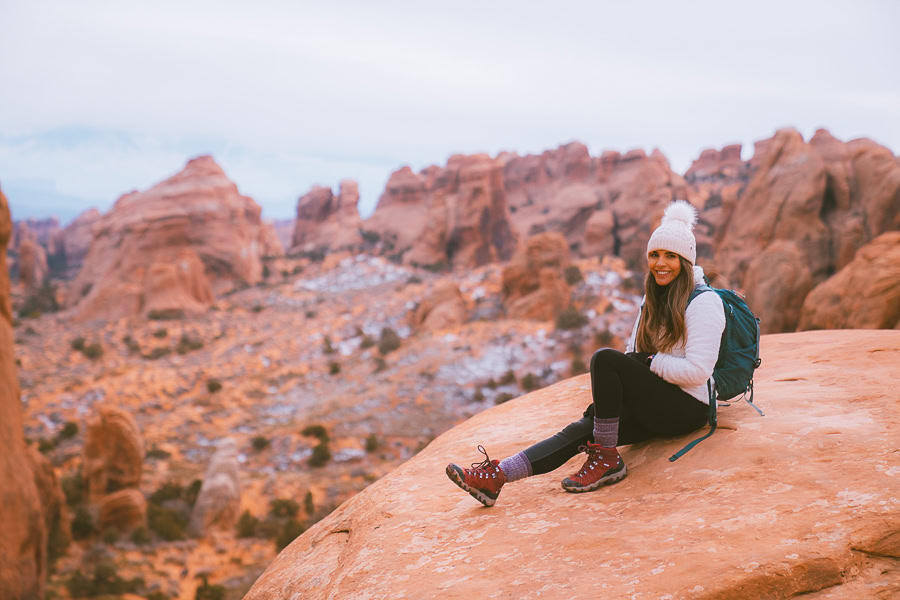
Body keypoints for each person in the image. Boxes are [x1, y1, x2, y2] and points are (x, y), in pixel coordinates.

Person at [445, 200, 725, 507]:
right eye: (655, 254)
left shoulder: (704, 303)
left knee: (604, 359)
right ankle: (497, 478)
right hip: (658, 401)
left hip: (687, 408)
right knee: (587, 427)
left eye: (671, 256)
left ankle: (606, 462)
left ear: (685, 261)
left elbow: (697, 372)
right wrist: (617, 398)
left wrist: (648, 362)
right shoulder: (653, 298)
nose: (661, 262)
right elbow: (634, 352)